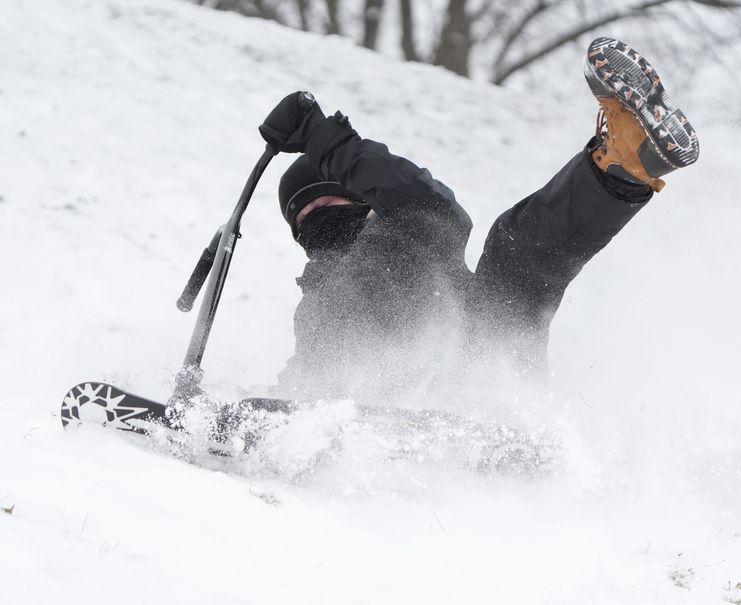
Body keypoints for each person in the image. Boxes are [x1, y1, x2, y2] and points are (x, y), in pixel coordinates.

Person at [258, 37, 699, 406]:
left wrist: (325, 141)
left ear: (364, 199)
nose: (316, 216)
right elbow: (298, 389)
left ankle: (624, 165)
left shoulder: (410, 236)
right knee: (343, 302)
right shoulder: (321, 302)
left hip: (485, 384)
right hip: (382, 406)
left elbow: (429, 207)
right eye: (303, 216)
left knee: (511, 255)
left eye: (327, 200)